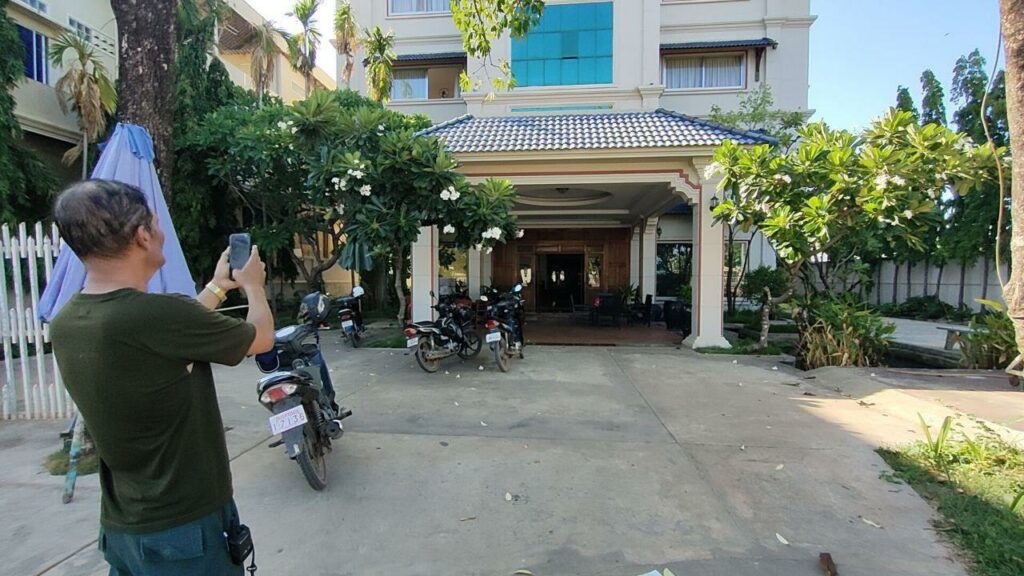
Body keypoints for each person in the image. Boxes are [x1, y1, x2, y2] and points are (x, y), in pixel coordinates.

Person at [49, 179, 275, 575]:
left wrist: (217, 287)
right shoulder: (157, 316)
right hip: (184, 530)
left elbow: (169, 340)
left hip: (124, 529)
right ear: (141, 236)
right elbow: (261, 338)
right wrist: (254, 287)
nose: (160, 233)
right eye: (156, 224)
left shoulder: (68, 321)